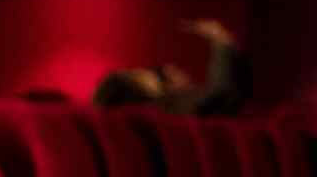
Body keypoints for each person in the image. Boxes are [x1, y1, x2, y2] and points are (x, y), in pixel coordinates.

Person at [92, 19, 250, 115]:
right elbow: (221, 92)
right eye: (134, 74)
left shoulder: (162, 113)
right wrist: (220, 38)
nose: (143, 71)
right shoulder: (167, 109)